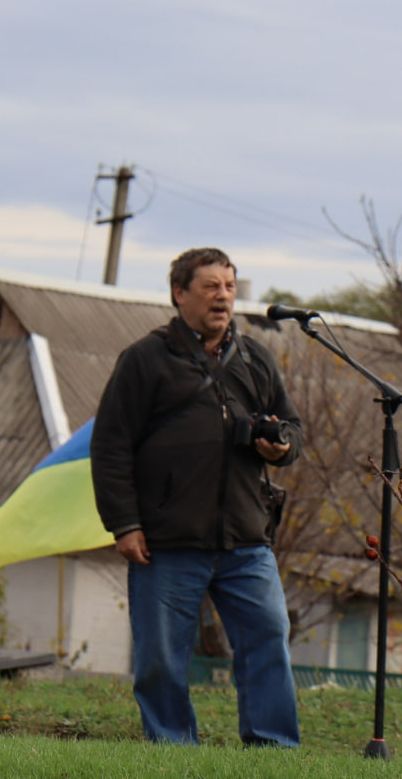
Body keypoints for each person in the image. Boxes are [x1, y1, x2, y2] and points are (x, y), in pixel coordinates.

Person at [91, 247, 303, 747]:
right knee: (161, 658)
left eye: (228, 286)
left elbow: (292, 429)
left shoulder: (255, 358)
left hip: (246, 539)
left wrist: (281, 446)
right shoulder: (145, 359)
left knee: (268, 636)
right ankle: (172, 750)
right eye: (210, 287)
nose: (222, 296)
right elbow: (111, 446)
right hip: (167, 541)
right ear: (179, 293)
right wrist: (125, 524)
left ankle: (272, 749)